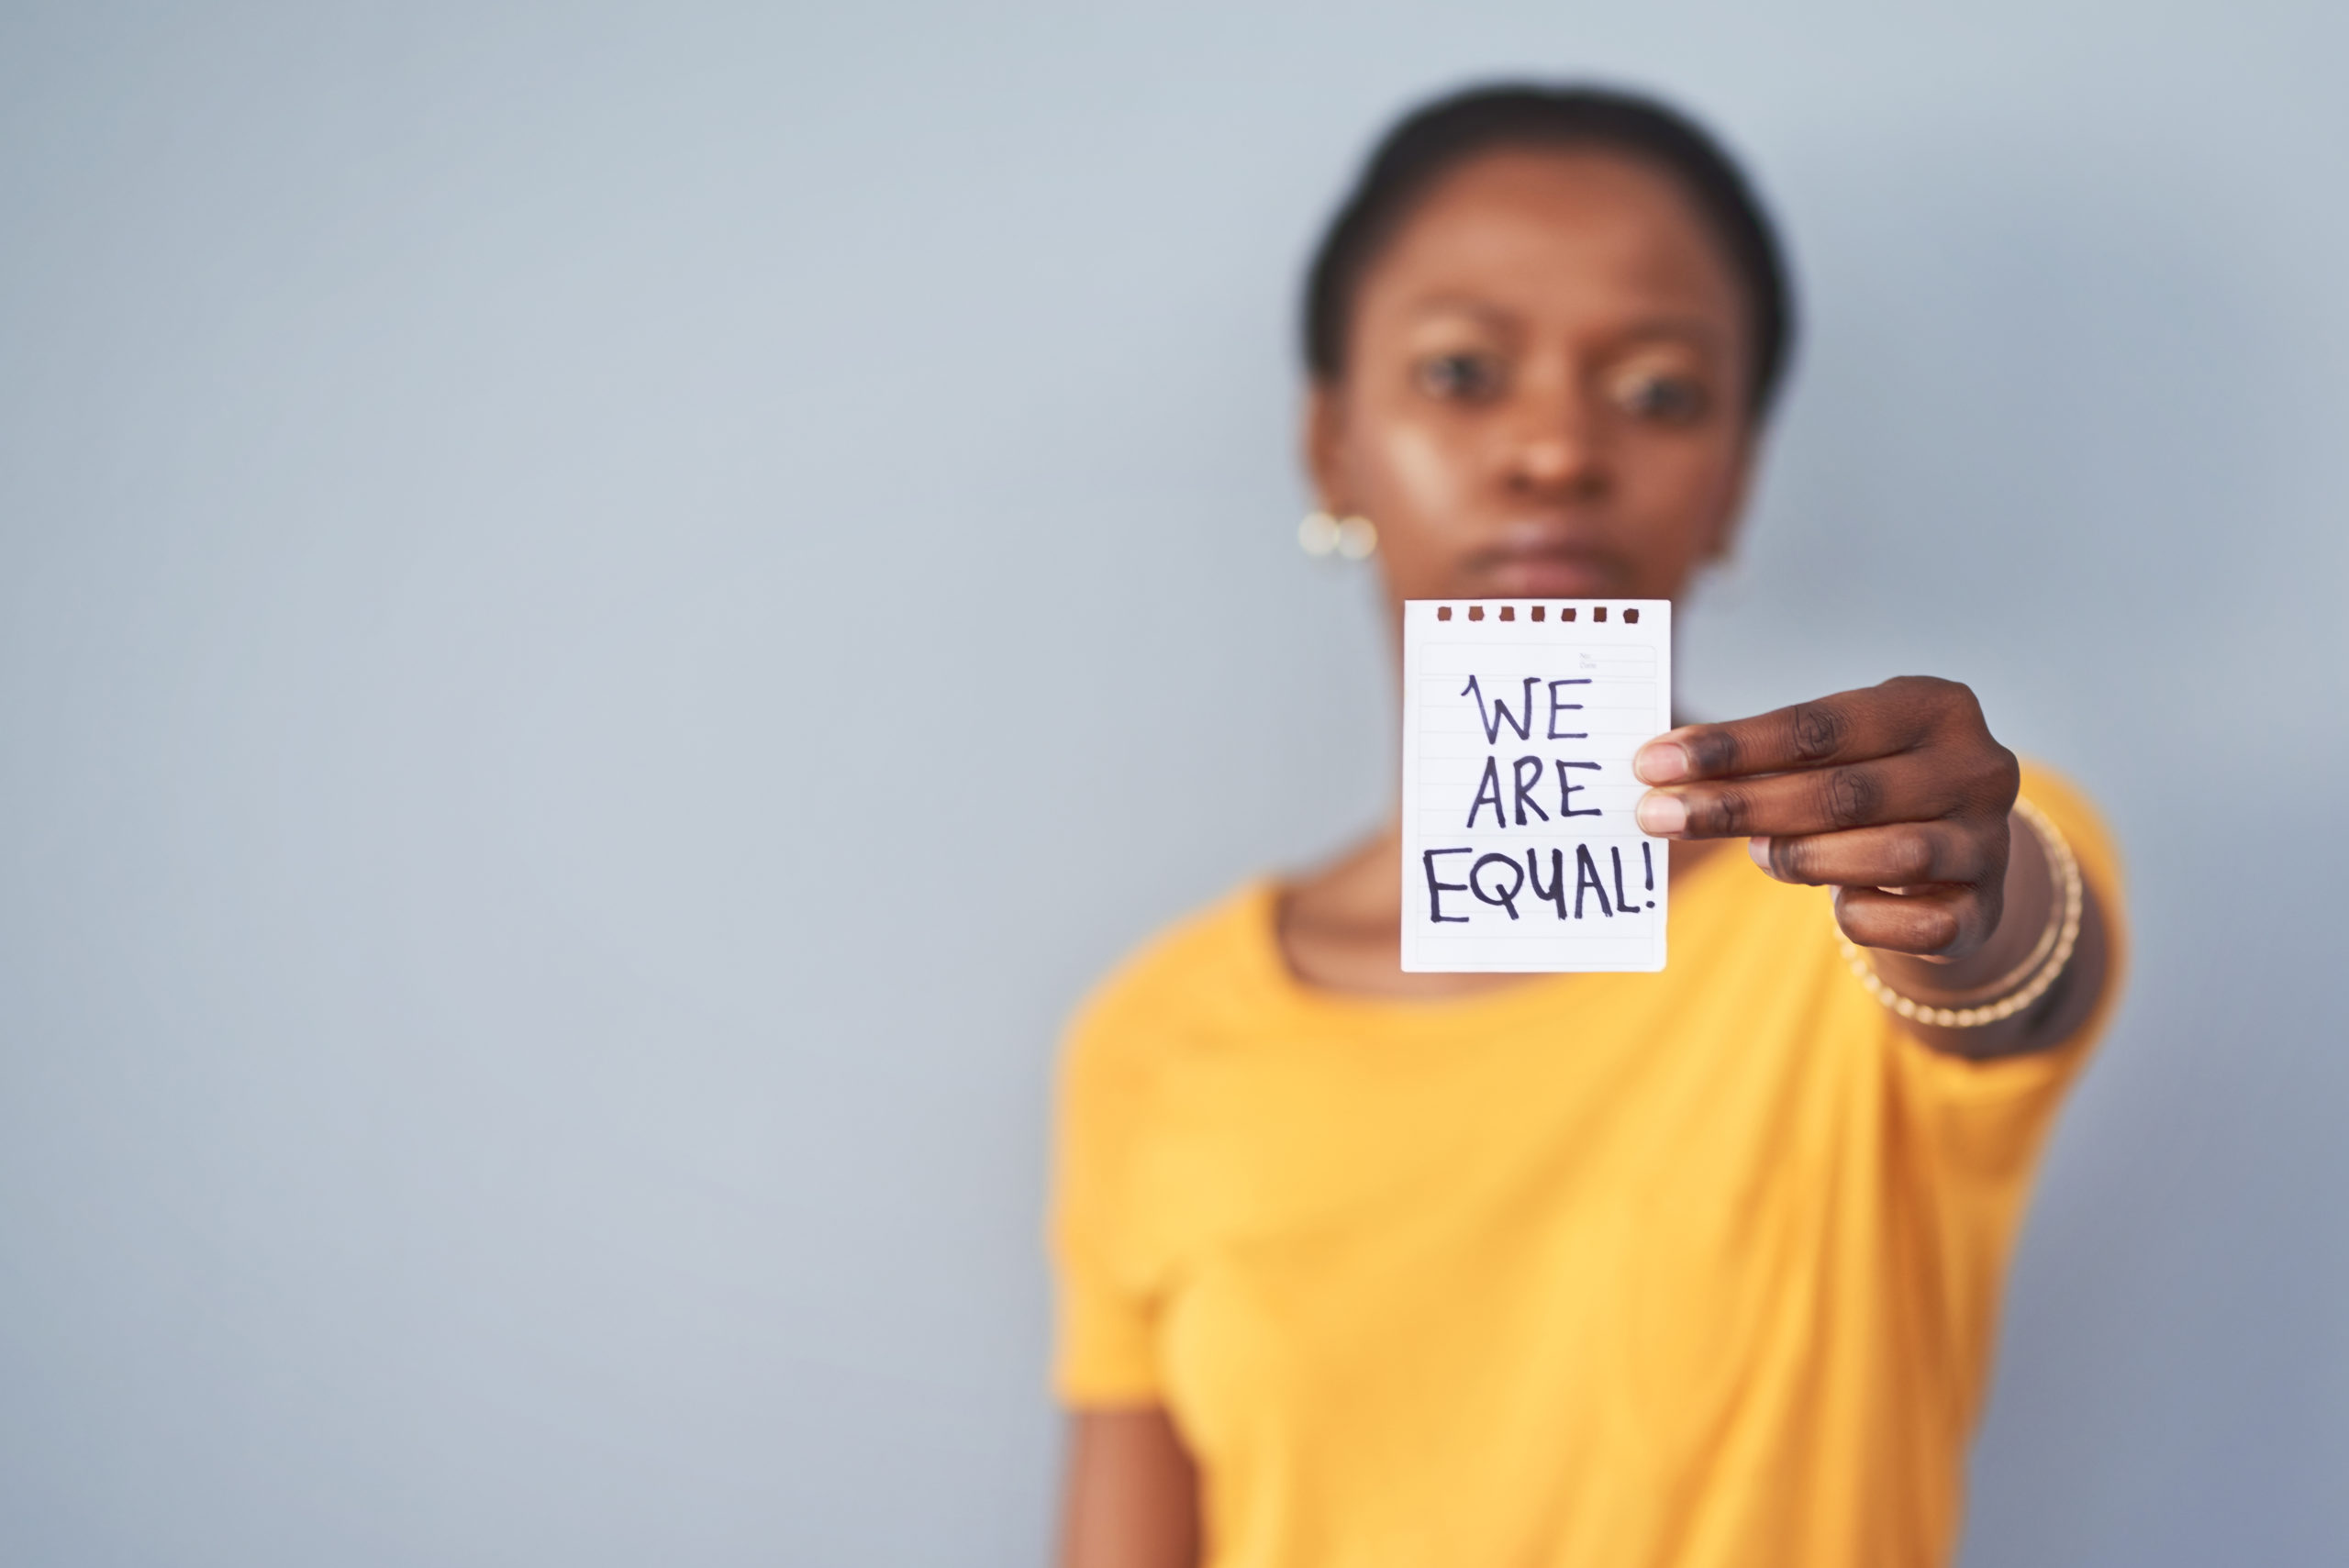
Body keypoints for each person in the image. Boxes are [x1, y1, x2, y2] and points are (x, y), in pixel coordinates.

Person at [1048, 83, 2123, 1568]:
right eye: (1463, 370)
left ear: (1735, 478)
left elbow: (2015, 971)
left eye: (1661, 390)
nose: (1555, 446)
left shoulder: (1903, 863)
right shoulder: (1157, 1034)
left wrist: (1975, 908)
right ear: (1332, 449)